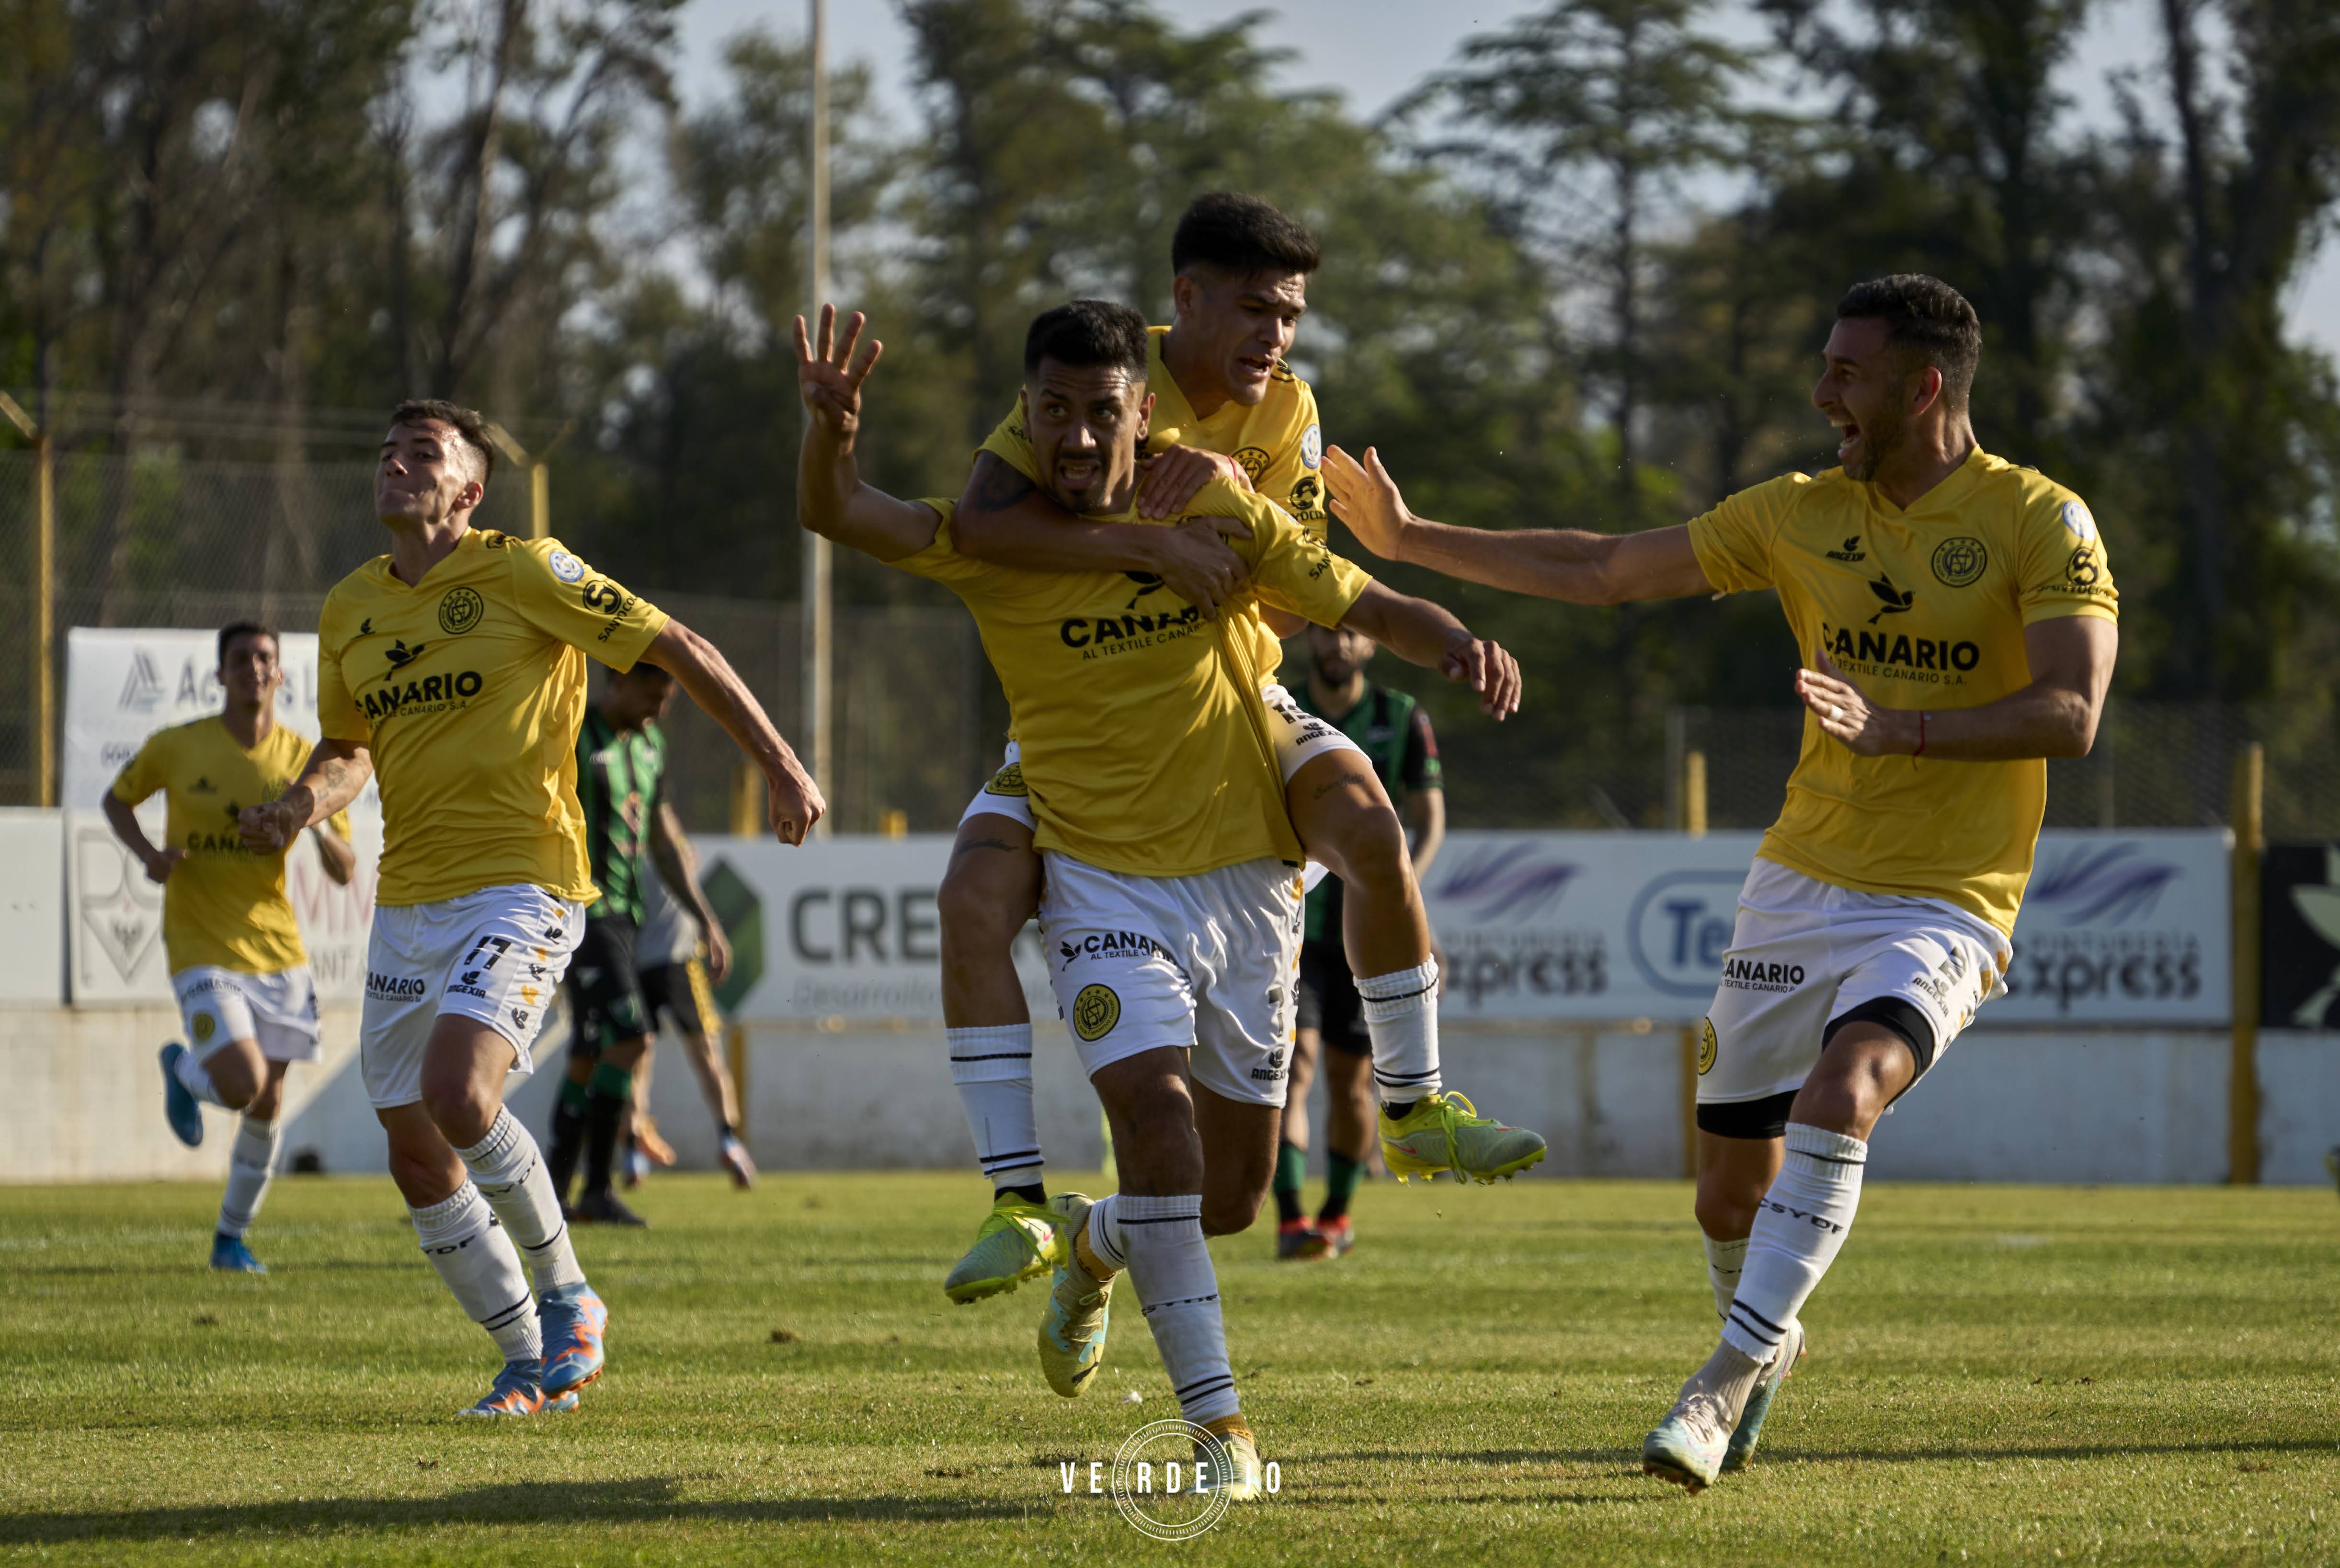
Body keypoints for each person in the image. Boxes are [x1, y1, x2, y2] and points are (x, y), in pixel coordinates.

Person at [1323, 273, 2119, 1492]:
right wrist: (1406, 539)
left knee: (1843, 1089)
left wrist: (1895, 728)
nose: (1819, 398)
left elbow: (2068, 712)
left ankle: (1719, 1378)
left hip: (1946, 897)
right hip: (1797, 882)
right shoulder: (1796, 512)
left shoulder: (2039, 519)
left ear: (1922, 387)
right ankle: (1768, 1340)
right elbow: (1600, 568)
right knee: (1719, 1200)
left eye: (1843, 376)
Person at [797, 298, 1521, 1499]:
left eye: (1100, 411)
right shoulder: (992, 535)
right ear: (1023, 419)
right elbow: (839, 510)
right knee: (1158, 1128)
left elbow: (1349, 595)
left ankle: (1091, 1241)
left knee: (1225, 1197)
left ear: (1145, 412)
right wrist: (831, 433)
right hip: (1098, 885)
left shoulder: (1213, 504)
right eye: (1053, 413)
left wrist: (1445, 635)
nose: (1077, 439)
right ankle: (1218, 1428)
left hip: (1244, 884)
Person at [935, 193, 1545, 1308]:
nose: (1276, 335)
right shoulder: (1100, 379)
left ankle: (1411, 1107)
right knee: (971, 895)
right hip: (1087, 718)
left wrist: (1443, 635)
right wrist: (1148, 545)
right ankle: (1014, 1198)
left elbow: (1305, 594)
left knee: (1368, 826)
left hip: (1234, 700)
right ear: (1185, 300)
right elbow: (978, 524)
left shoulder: (1291, 412)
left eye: (1292, 314)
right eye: (1255, 309)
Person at [239, 398, 822, 1419]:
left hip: (526, 879)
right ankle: (524, 1358)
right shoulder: (348, 609)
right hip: (409, 897)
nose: (394, 465)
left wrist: (777, 762)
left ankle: (570, 1294)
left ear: (469, 489)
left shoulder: (524, 569)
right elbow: (351, 750)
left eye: (422, 453)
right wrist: (300, 802)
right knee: (413, 1148)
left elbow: (674, 641)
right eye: (386, 451)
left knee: (461, 1095)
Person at [110, 622, 356, 1273]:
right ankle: (185, 1069)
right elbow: (117, 801)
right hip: (200, 940)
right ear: (220, 674)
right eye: (241, 658)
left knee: (270, 1099)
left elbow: (345, 868)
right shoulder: (177, 746)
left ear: (280, 674)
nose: (253, 667)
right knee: (244, 1081)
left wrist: (311, 829)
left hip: (278, 947)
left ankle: (230, 1239)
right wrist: (149, 856)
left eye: (264, 658)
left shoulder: (305, 760)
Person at [542, 661, 737, 1224]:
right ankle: (595, 1187)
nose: (658, 709)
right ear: (617, 684)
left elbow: (662, 837)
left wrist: (705, 918)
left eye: (666, 700)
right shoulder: (576, 736)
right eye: (651, 696)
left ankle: (557, 1194)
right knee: (632, 1034)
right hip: (582, 909)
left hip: (626, 916)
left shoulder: (649, 746)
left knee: (587, 1051)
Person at [1275, 623, 1446, 1261]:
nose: (1337, 641)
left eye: (1350, 630)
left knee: (1353, 1084)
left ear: (1372, 643)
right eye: (1323, 629)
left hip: (1365, 935)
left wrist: (1396, 894)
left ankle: (1337, 1213)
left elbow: (1427, 818)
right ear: (1304, 638)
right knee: (1294, 1068)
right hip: (1292, 925)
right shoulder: (1279, 706)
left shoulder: (1400, 715)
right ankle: (1291, 1221)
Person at [626, 860, 756, 1189]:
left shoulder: (619, 847)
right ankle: (729, 1140)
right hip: (677, 957)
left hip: (636, 961)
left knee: (639, 1057)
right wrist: (711, 927)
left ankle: (632, 1149)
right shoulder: (666, 843)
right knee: (707, 1052)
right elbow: (684, 868)